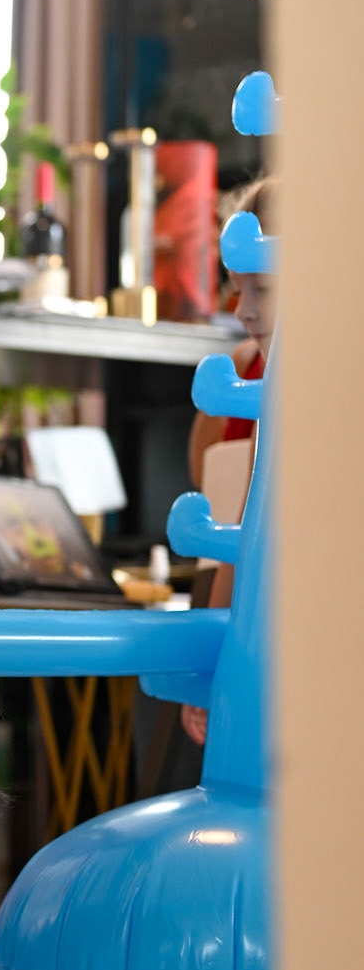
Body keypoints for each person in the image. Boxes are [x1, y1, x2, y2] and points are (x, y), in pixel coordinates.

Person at [183, 177, 278, 746]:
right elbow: (231, 526)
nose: (241, 309)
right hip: (240, 605)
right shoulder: (243, 375)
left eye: (261, 287)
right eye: (236, 287)